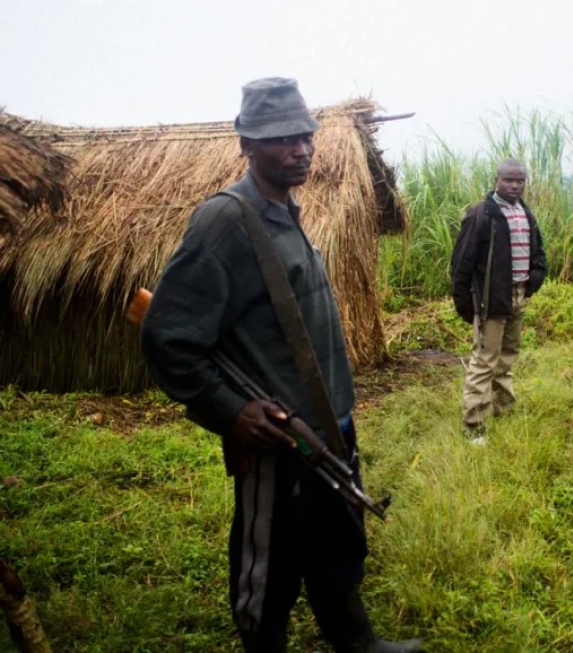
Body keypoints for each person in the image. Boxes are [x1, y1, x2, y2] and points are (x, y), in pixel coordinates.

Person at [140, 78, 423, 653]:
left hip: (330, 425)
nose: (300, 149)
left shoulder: (286, 211)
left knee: (337, 542)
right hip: (279, 439)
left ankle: (357, 641)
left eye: (304, 135)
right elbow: (169, 336)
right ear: (247, 143)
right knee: (268, 569)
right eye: (280, 139)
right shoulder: (226, 222)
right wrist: (230, 410)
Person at [451, 158, 547, 443]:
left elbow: (538, 251)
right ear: (497, 179)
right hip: (491, 300)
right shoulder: (482, 215)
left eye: (520, 180)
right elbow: (461, 263)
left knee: (507, 356)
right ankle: (474, 426)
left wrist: (535, 279)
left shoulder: (525, 214)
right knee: (485, 360)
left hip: (518, 295)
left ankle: (504, 410)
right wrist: (465, 304)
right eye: (509, 180)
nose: (515, 185)